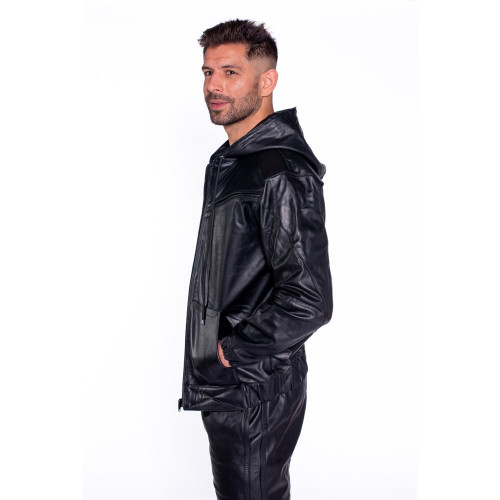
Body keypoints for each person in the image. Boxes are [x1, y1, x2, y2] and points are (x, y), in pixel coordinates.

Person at [178, 19, 333, 500]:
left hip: (253, 385)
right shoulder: (234, 162)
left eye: (230, 73)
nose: (214, 86)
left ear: (267, 81)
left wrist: (234, 348)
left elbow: (310, 300)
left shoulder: (278, 170)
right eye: (208, 73)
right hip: (235, 382)